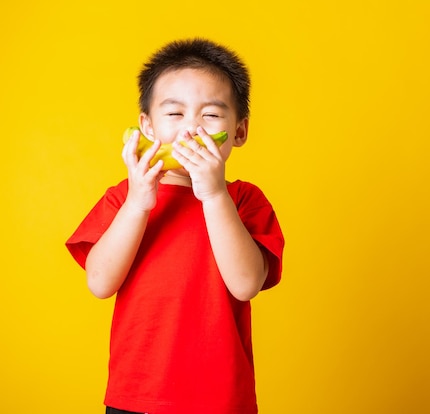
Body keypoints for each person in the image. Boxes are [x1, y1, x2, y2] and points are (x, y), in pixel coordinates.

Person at [66, 38, 284, 414]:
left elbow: (246, 284)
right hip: (136, 396)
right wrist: (138, 202)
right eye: (174, 114)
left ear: (240, 131)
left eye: (211, 115)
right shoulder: (123, 198)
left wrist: (215, 195)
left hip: (221, 399)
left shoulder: (245, 201)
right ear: (147, 127)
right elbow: (100, 283)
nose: (191, 130)